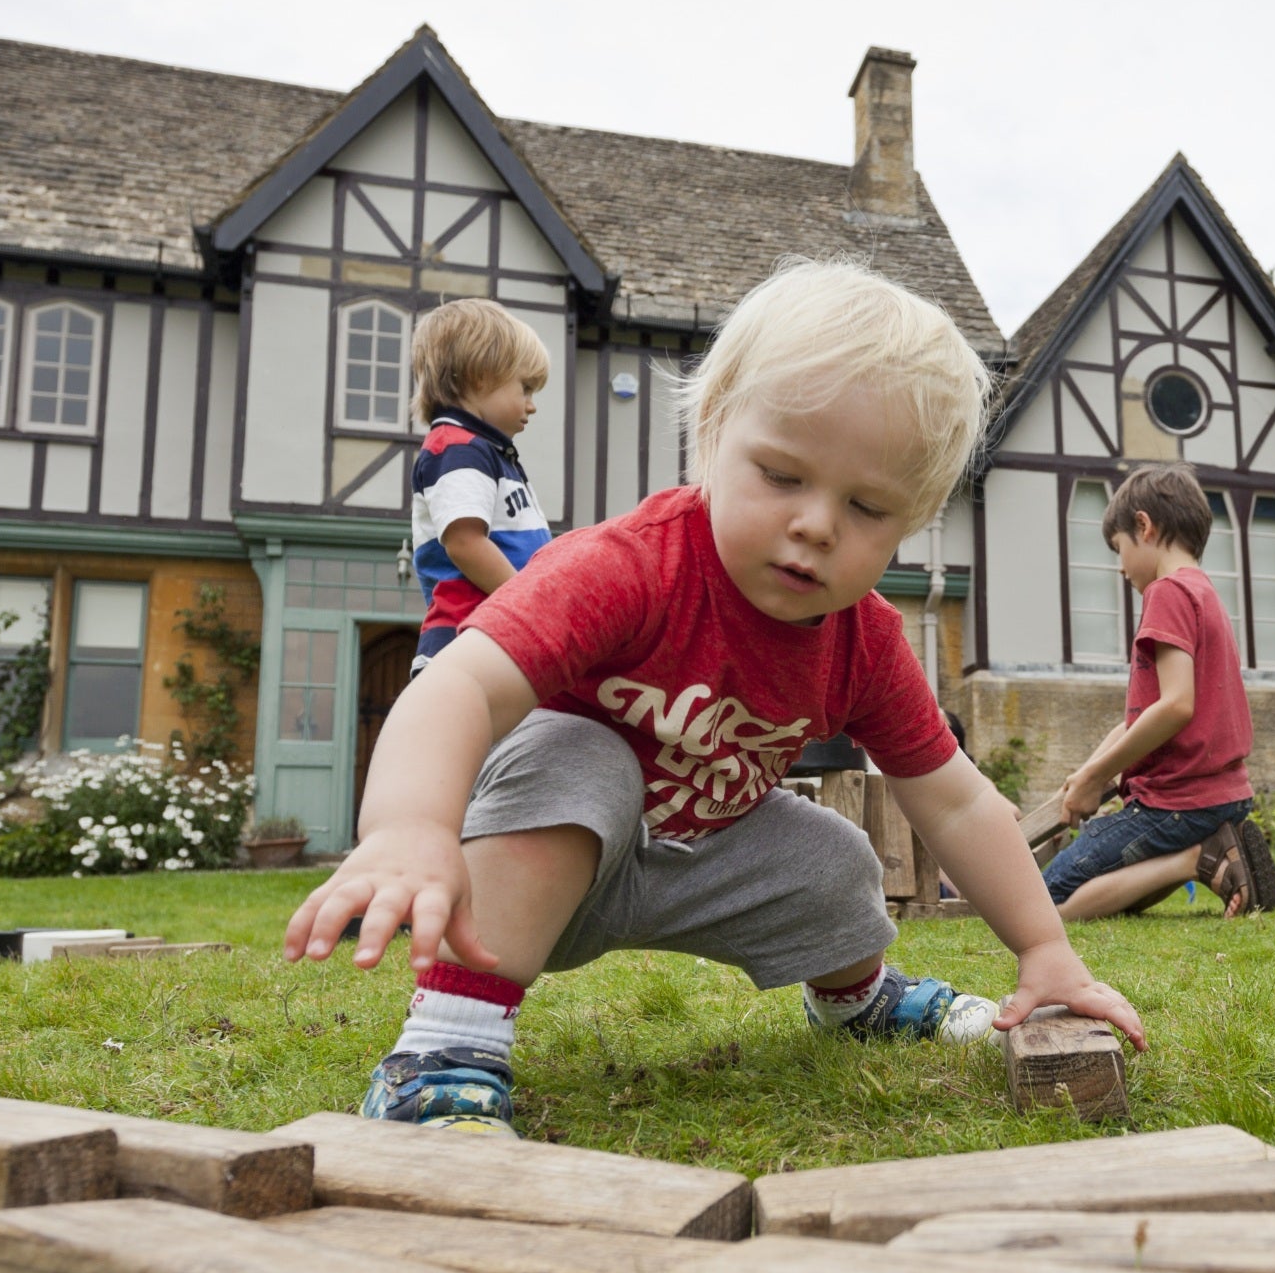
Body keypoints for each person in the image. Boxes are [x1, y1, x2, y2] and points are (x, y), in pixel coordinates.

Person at [285, 262, 1143, 1133]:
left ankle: (858, 1001)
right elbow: (459, 685)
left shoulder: (865, 639)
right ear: (712, 432)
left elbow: (957, 801)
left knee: (838, 855)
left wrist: (1045, 946)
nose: (816, 523)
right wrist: (408, 826)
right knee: (582, 755)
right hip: (529, 855)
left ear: (914, 519)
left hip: (697, 860)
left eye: (868, 506)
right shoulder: (627, 565)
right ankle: (444, 1049)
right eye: (780, 474)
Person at [1041, 464, 1275, 920]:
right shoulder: (1202, 592)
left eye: (1119, 549)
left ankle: (1196, 858)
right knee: (1115, 885)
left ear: (1143, 526)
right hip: (1220, 795)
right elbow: (1145, 717)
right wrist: (1088, 773)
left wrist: (1095, 780)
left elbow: (1174, 707)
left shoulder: (1166, 591)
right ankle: (1203, 856)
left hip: (1178, 803)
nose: (1120, 566)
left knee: (1045, 899)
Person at [407, 300, 557, 675]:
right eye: (525, 387)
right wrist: (531, 603)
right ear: (480, 377)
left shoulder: (486, 452)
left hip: (495, 634)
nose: (531, 405)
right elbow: (465, 542)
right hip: (468, 638)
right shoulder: (457, 447)